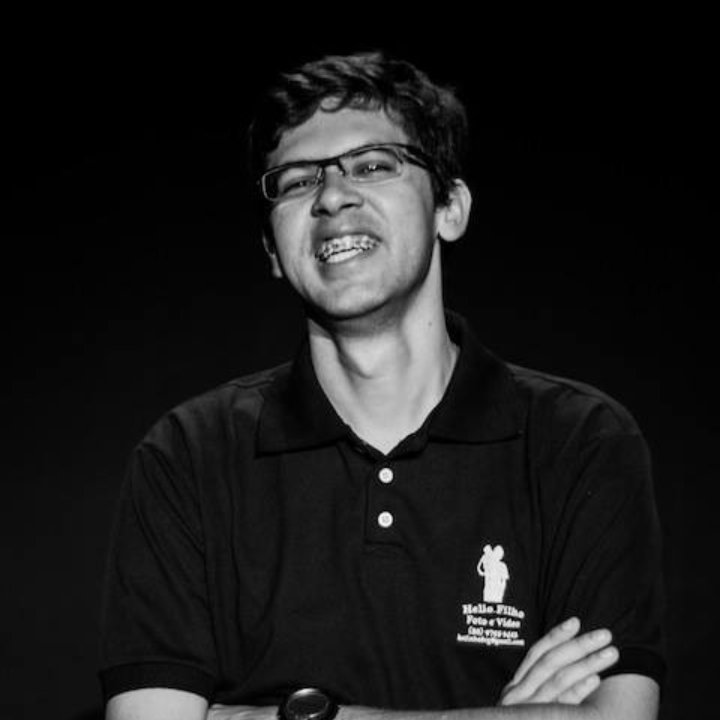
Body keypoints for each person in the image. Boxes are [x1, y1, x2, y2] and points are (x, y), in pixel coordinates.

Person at [99, 51, 666, 720]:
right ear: (272, 251)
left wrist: (279, 715)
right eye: (297, 181)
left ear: (449, 207)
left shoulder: (581, 441)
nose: (332, 196)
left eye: (372, 165)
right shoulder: (187, 456)